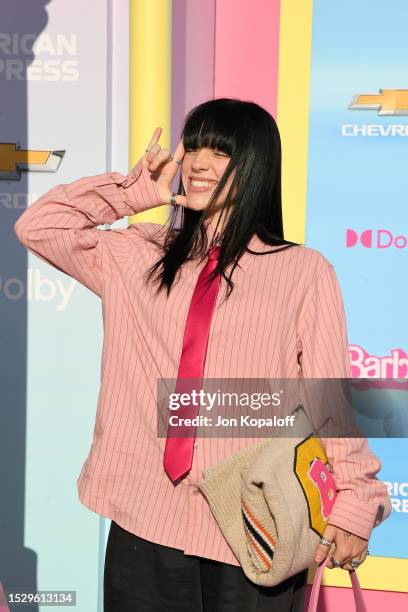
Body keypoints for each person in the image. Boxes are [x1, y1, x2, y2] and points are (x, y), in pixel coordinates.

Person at [14, 98, 391, 611]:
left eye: (219, 152)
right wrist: (138, 191)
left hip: (257, 525)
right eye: (193, 148)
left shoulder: (302, 272)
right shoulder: (136, 254)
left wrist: (352, 503)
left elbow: (327, 397)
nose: (197, 163)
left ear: (255, 166)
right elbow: (40, 226)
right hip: (145, 517)